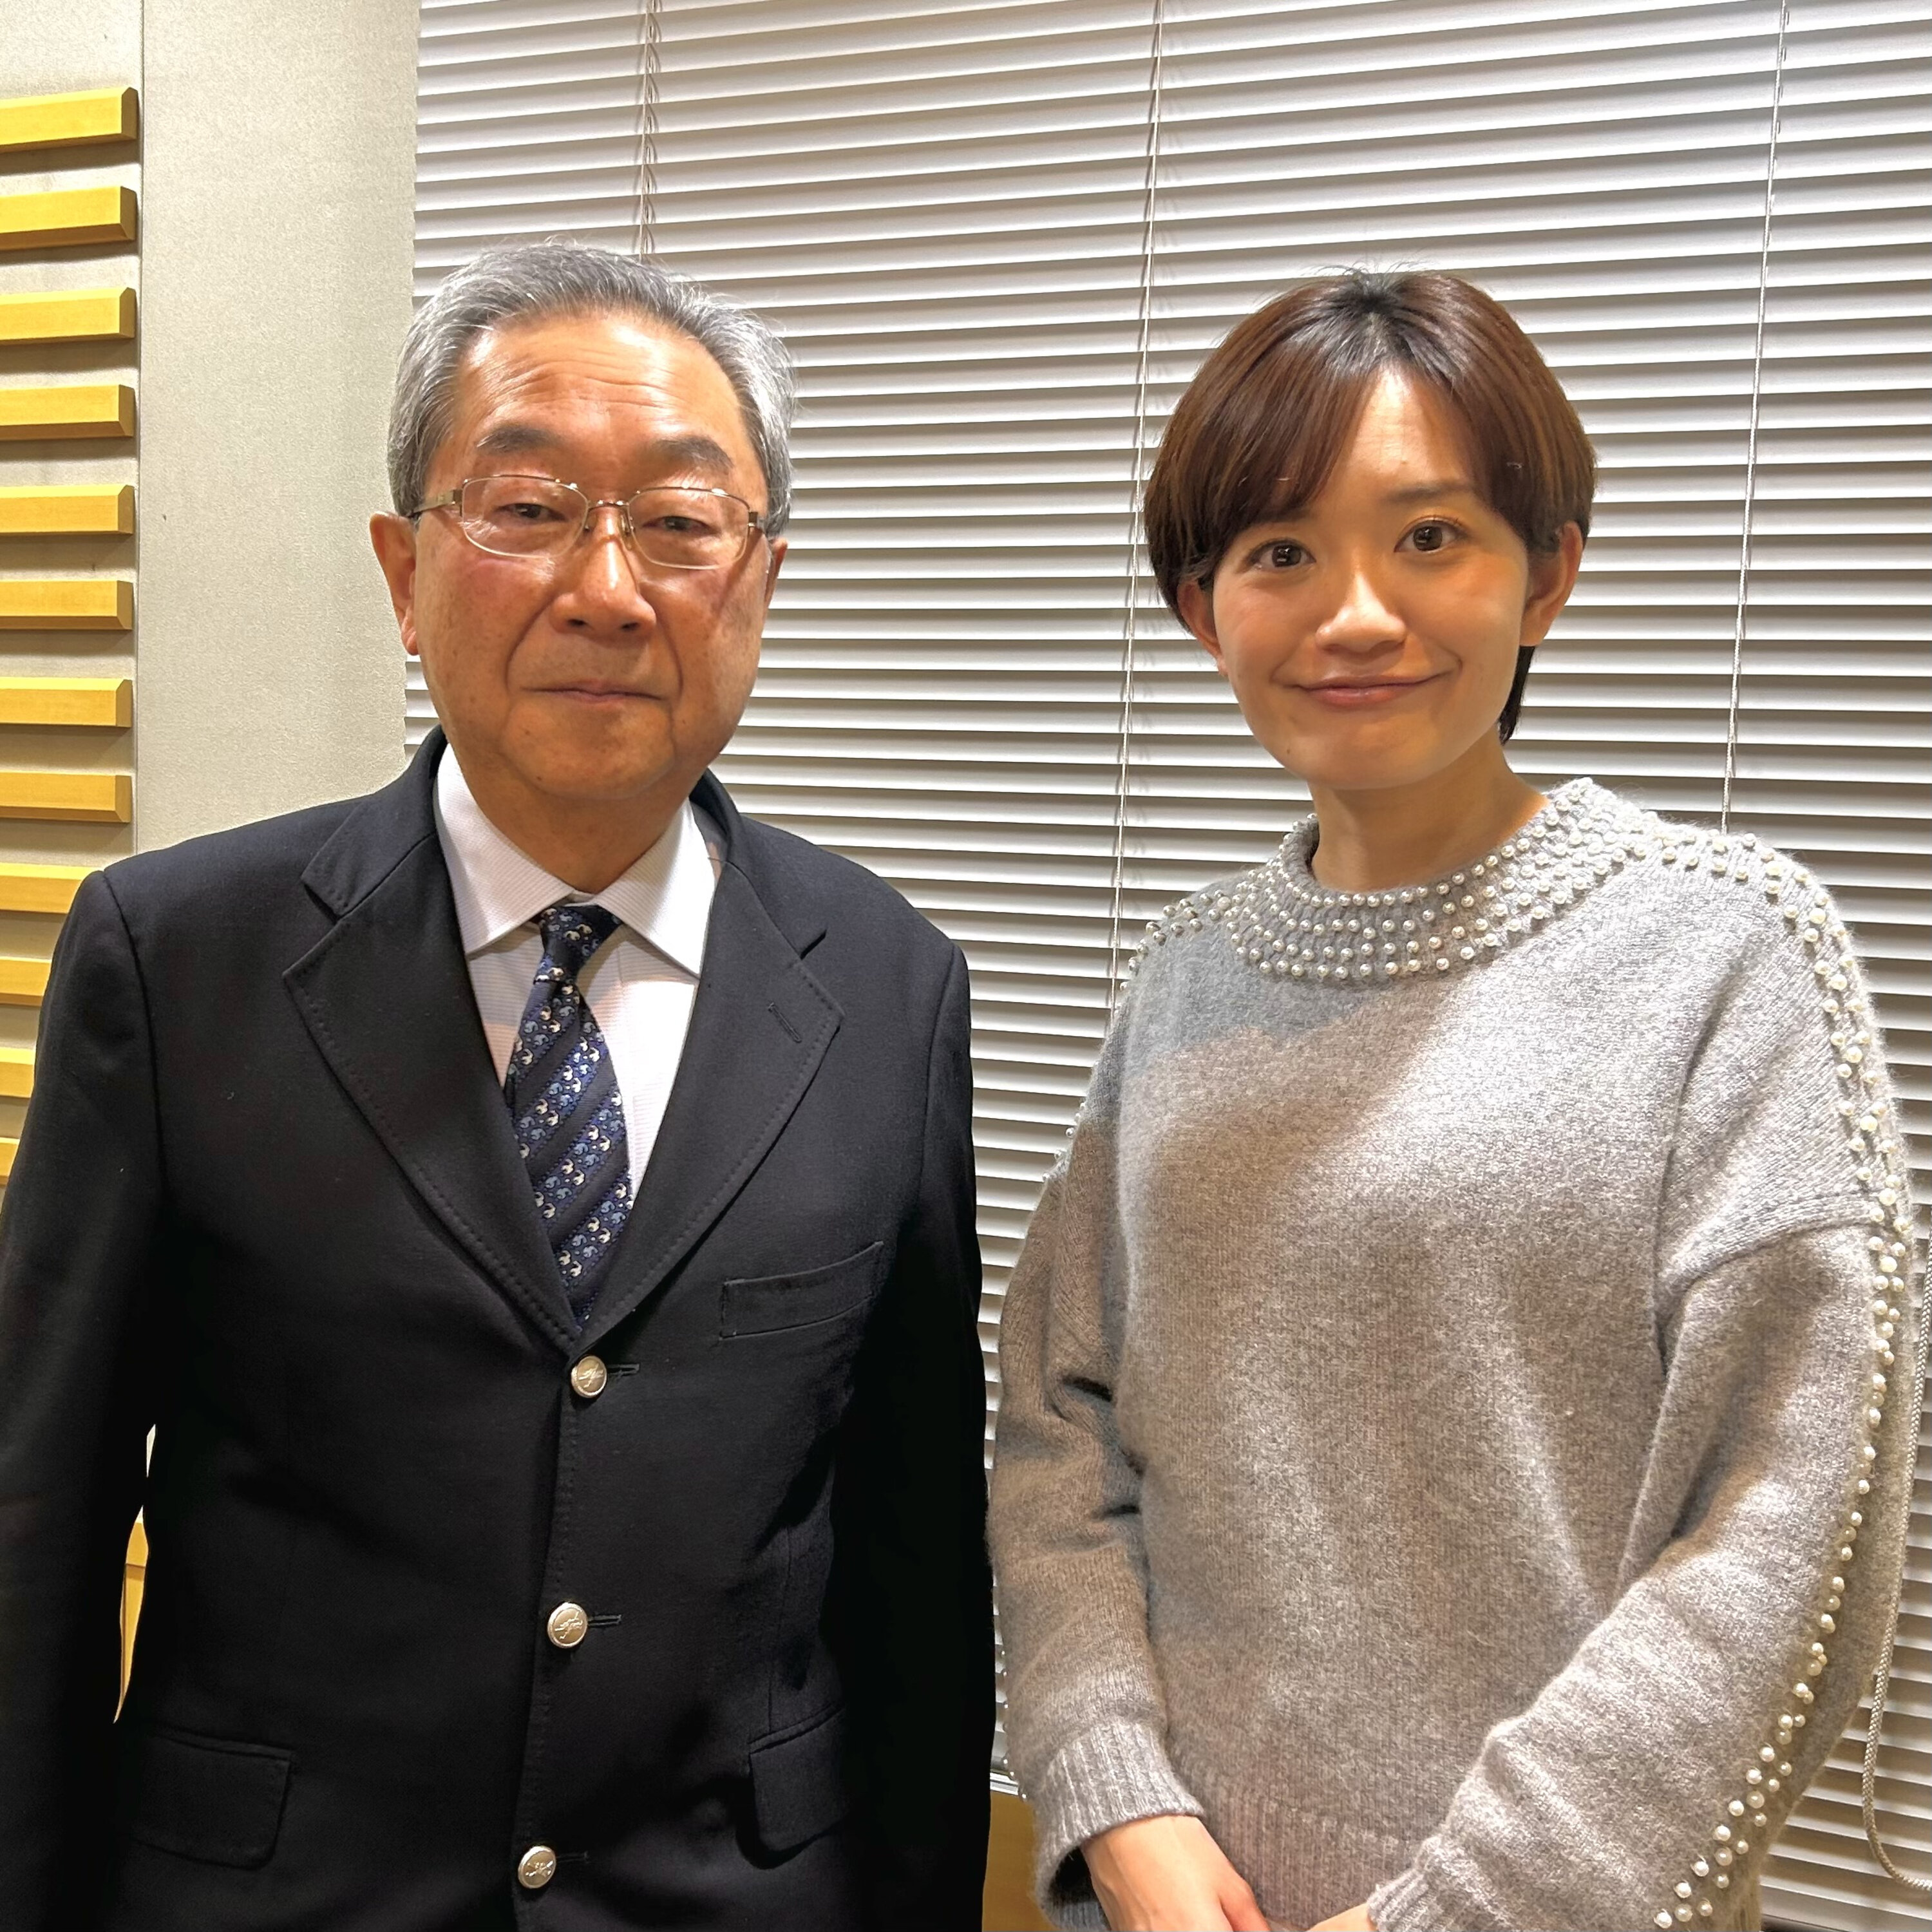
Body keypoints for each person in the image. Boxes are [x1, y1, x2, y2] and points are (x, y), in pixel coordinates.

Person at [0, 241, 993, 1931]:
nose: (608, 588)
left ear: (761, 579)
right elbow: (41, 1522)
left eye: (680, 523)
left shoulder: (893, 989)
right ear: (405, 573)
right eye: (527, 508)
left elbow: (914, 1563)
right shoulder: (176, 963)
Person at [988, 270, 1922, 1932]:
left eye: (1431, 537)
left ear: (1546, 573)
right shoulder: (1187, 974)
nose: (1357, 614)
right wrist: (1116, 1794)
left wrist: (1463, 1909)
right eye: (1280, 552)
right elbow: (1063, 1426)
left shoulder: (1727, 951)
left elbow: (1787, 1526)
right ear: (1203, 607)